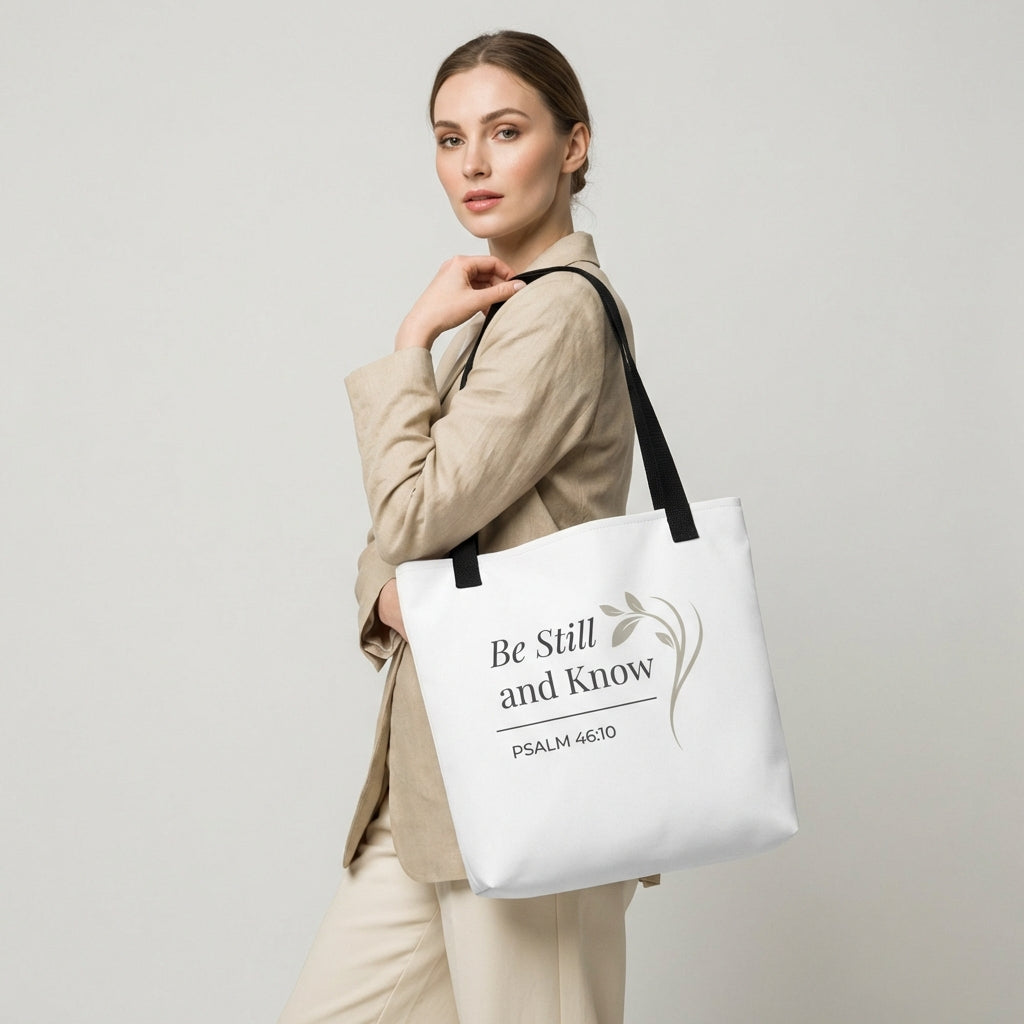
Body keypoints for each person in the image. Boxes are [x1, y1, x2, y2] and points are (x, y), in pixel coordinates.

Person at [279, 30, 644, 1024]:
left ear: (573, 146)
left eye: (506, 131)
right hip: (442, 776)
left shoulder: (559, 315)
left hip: (532, 765)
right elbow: (408, 528)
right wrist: (387, 586)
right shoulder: (500, 317)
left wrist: (410, 342)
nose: (474, 163)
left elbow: (408, 515)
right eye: (450, 139)